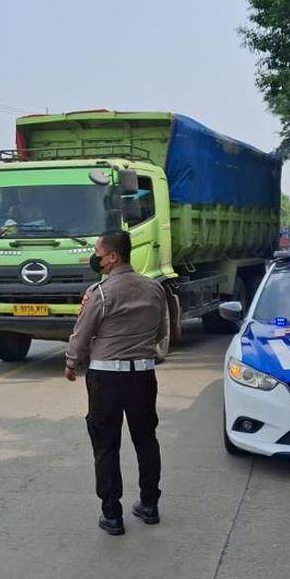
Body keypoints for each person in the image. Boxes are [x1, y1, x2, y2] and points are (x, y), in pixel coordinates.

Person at [65, 230, 169, 536]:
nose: (94, 257)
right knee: (146, 439)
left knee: (106, 445)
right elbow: (163, 331)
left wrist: (72, 362)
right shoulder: (154, 289)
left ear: (112, 257)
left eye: (97, 252)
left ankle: (112, 515)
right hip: (143, 376)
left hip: (106, 380)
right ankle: (149, 505)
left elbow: (82, 333)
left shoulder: (102, 292)